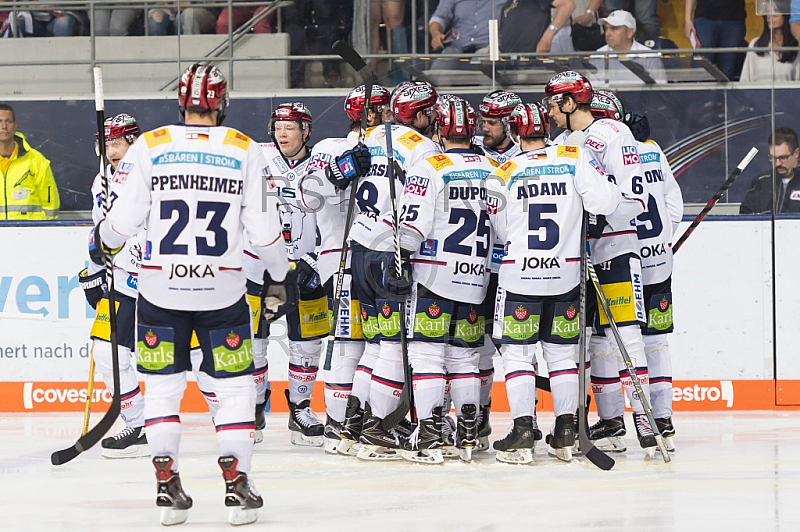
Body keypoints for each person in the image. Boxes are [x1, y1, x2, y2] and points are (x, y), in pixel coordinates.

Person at [90, 64, 289, 526]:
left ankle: (166, 484)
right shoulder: (244, 148)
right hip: (222, 292)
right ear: (221, 103)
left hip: (159, 289)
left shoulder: (150, 145)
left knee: (161, 389)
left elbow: (120, 227)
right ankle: (238, 487)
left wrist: (102, 240)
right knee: (235, 387)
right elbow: (265, 233)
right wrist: (280, 275)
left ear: (180, 101)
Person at [485, 102, 625, 464]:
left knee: (518, 354)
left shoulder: (504, 171)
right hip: (566, 276)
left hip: (520, 277)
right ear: (547, 129)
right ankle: (566, 431)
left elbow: (499, 230)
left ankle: (522, 432)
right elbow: (606, 201)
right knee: (562, 355)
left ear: (515, 133)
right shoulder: (574, 157)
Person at [82, 114, 222, 459]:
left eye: (116, 142)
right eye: (105, 143)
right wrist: (92, 268)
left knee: (196, 357)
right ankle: (137, 423)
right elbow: (101, 229)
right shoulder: (101, 181)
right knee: (105, 352)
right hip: (124, 281)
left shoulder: (158, 173)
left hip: (167, 281)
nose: (110, 151)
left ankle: (230, 421)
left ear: (134, 142)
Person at [543, 71, 657, 457]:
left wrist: (599, 219)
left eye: (553, 103)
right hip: (578, 257)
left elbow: (634, 198)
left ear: (570, 102)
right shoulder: (560, 144)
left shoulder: (613, 133)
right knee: (590, 343)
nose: (549, 110)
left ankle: (645, 417)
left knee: (627, 335)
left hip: (615, 250)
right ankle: (608, 421)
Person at [388, 97, 495, 464]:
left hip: (434, 274)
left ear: (439, 129)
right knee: (465, 356)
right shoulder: (494, 166)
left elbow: (412, 224)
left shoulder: (430, 166)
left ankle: (431, 430)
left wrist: (399, 258)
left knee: (426, 353)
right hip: (477, 276)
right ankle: (468, 429)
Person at [348, 81, 440, 460]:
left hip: (358, 248)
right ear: (418, 114)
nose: (435, 117)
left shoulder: (369, 138)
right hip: (389, 252)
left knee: (374, 343)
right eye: (430, 111)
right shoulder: (423, 148)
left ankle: (354, 421)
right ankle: (379, 427)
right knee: (391, 344)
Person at [297, 84, 390, 455]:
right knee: (350, 340)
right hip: (343, 258)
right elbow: (306, 196)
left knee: (377, 343)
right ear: (369, 114)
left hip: (378, 256)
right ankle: (337, 422)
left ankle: (361, 417)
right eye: (385, 113)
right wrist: (344, 168)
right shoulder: (329, 149)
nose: (391, 119)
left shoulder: (392, 148)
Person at [589, 90, 684, 452]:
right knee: (654, 341)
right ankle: (662, 421)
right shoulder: (653, 150)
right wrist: (659, 244)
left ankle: (613, 421)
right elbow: (673, 207)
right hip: (657, 261)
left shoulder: (594, 153)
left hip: (620, 258)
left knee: (605, 341)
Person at [240, 102, 328, 447]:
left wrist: (316, 259)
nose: (282, 132)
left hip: (305, 267)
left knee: (307, 344)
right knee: (253, 345)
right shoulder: (256, 155)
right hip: (257, 266)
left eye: (291, 126)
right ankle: (257, 406)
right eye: (278, 125)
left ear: (306, 131)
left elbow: (336, 219)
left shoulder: (322, 163)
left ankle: (301, 409)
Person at [0, 104, 59, 220]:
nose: (4, 126)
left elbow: (50, 207)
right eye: (0, 121)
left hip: (29, 235)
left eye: (8, 121)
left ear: (15, 126)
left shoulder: (36, 161)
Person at [590, 10, 666, 85]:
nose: (607, 34)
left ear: (629, 33)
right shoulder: (597, 56)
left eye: (614, 28)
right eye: (606, 28)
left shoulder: (649, 57)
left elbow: (661, 91)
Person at [740, 127, 800, 214]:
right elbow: (745, 217)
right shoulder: (762, 182)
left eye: (783, 157)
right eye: (773, 158)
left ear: (796, 153)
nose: (777, 163)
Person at [684, 0, 747, 81]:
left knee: (728, 68)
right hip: (705, 18)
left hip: (734, 19)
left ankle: (725, 93)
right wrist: (687, 19)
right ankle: (703, 93)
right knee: (703, 67)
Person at [740, 2, 800, 83]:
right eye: (767, 11)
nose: (769, 16)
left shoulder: (794, 47)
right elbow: (745, 80)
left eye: (775, 11)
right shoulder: (755, 44)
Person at [429, 0, 493, 68]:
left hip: (488, 47)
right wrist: (436, 34)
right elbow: (439, 17)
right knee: (439, 66)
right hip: (458, 46)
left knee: (481, 61)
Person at [498, 0, 576, 53]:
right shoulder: (506, 5)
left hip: (534, 62)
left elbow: (567, 5)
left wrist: (547, 37)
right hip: (509, 65)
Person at [474, 90, 523, 164]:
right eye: (483, 121)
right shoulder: (473, 147)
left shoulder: (525, 149)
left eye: (491, 123)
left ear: (509, 124)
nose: (485, 128)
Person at [148, 3, 220, 35]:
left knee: (188, 15)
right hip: (168, 9)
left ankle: (190, 55)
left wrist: (191, 2)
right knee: (155, 19)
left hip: (203, 8)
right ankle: (158, 58)